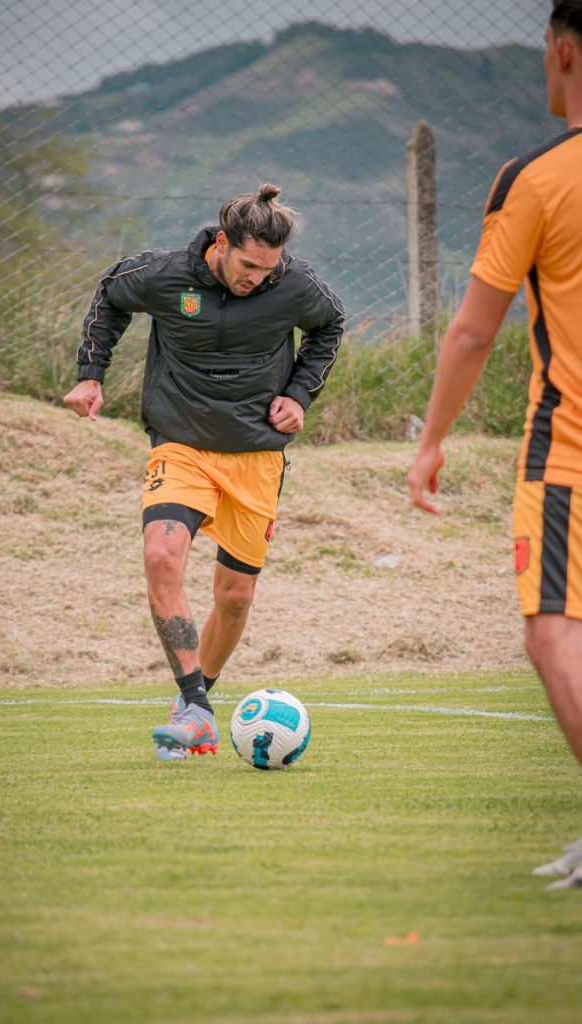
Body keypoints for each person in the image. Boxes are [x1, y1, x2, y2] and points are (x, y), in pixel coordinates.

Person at [64, 184, 345, 762]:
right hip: (182, 444)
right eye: (248, 266)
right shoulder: (164, 275)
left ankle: (194, 702)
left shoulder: (295, 284)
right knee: (161, 555)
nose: (258, 279)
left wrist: (299, 394)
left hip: (256, 456)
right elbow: (110, 295)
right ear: (221, 243)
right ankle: (195, 707)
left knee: (235, 596)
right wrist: (91, 374)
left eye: (269, 269)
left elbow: (330, 325)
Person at [408, 0, 582, 889]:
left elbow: (473, 331)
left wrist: (430, 441)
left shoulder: (537, 179)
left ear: (560, 52)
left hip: (569, 458)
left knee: (553, 638)